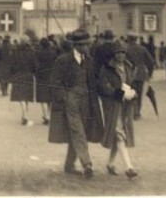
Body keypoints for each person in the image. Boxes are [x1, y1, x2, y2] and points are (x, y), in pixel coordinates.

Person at [48, 30, 104, 179]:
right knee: (78, 130)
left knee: (80, 132)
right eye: (85, 45)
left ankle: (69, 164)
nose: (88, 47)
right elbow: (55, 82)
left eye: (88, 44)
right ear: (77, 45)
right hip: (71, 100)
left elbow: (97, 81)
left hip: (87, 101)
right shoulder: (63, 60)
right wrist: (65, 97)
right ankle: (87, 164)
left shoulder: (90, 61)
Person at [97, 41, 139, 181]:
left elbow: (131, 83)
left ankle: (110, 163)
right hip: (111, 104)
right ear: (114, 54)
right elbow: (103, 87)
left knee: (118, 134)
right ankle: (129, 167)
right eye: (118, 53)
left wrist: (133, 92)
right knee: (120, 133)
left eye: (123, 52)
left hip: (125, 104)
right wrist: (120, 93)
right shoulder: (107, 68)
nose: (120, 55)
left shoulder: (128, 66)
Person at [10, 36, 37, 126]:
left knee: (21, 96)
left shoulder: (15, 52)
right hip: (28, 75)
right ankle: (25, 115)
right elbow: (34, 65)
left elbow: (12, 64)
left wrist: (12, 74)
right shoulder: (31, 52)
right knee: (27, 96)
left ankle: (24, 115)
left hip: (18, 75)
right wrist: (33, 73)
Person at [125, 37, 154, 120]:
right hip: (141, 73)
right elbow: (151, 61)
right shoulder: (142, 49)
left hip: (129, 73)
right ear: (136, 40)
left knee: (130, 92)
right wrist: (149, 73)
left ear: (129, 40)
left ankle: (132, 111)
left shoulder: (126, 49)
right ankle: (137, 113)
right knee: (139, 93)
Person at [35, 38, 58, 125]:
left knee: (42, 98)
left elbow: (36, 65)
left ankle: (46, 116)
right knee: (50, 97)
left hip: (41, 77)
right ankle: (49, 114)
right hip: (51, 76)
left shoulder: (38, 53)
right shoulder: (53, 53)